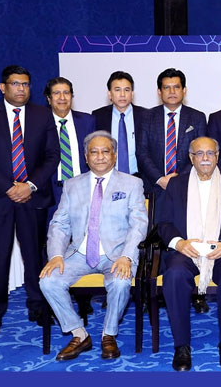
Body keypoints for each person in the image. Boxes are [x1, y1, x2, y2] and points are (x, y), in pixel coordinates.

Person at [39, 131, 147, 361]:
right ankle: (80, 334)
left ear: (114, 156)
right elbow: (59, 223)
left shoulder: (132, 184)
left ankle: (109, 334)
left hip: (116, 254)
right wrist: (56, 255)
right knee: (48, 281)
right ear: (86, 157)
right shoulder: (72, 185)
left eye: (105, 151)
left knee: (120, 282)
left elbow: (138, 225)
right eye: (94, 152)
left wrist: (127, 257)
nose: (100, 157)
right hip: (78, 253)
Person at [158, 137, 221, 371]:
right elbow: (163, 222)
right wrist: (178, 243)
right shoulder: (176, 185)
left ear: (218, 156)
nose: (205, 159)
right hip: (187, 248)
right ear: (191, 158)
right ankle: (182, 346)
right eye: (199, 154)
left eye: (210, 153)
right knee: (174, 275)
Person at [0, 65, 59, 336]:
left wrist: (29, 185)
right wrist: (9, 187)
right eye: (16, 84)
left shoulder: (43, 115)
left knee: (35, 256)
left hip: (33, 196)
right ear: (2, 87)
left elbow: (52, 156)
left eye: (26, 84)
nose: (22, 89)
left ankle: (39, 306)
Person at [137, 68, 207, 223]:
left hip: (188, 186)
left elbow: (201, 154)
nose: (172, 91)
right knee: (155, 235)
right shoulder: (146, 117)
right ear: (159, 92)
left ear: (184, 90)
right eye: (167, 87)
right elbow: (142, 153)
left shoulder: (197, 117)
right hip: (155, 187)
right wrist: (160, 179)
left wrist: (178, 180)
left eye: (176, 87)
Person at [44, 77, 96, 224]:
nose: (62, 97)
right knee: (53, 240)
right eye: (56, 93)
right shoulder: (40, 123)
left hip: (83, 190)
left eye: (66, 93)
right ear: (49, 98)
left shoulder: (88, 121)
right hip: (51, 191)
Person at [93, 71, 149, 176]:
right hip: (109, 177)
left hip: (140, 178)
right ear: (109, 94)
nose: (122, 95)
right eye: (117, 90)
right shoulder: (98, 116)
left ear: (132, 94)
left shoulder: (146, 115)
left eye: (127, 90)